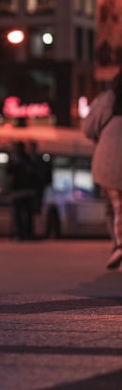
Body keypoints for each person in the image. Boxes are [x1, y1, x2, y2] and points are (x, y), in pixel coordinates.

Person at [82, 73, 122, 269]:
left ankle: (118, 245)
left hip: (110, 155)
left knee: (114, 204)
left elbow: (88, 128)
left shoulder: (107, 98)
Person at [6, 141, 36, 240]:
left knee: (21, 215)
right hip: (25, 191)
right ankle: (26, 233)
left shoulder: (19, 160)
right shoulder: (27, 159)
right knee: (26, 215)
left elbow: (9, 171)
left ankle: (22, 234)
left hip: (20, 191)